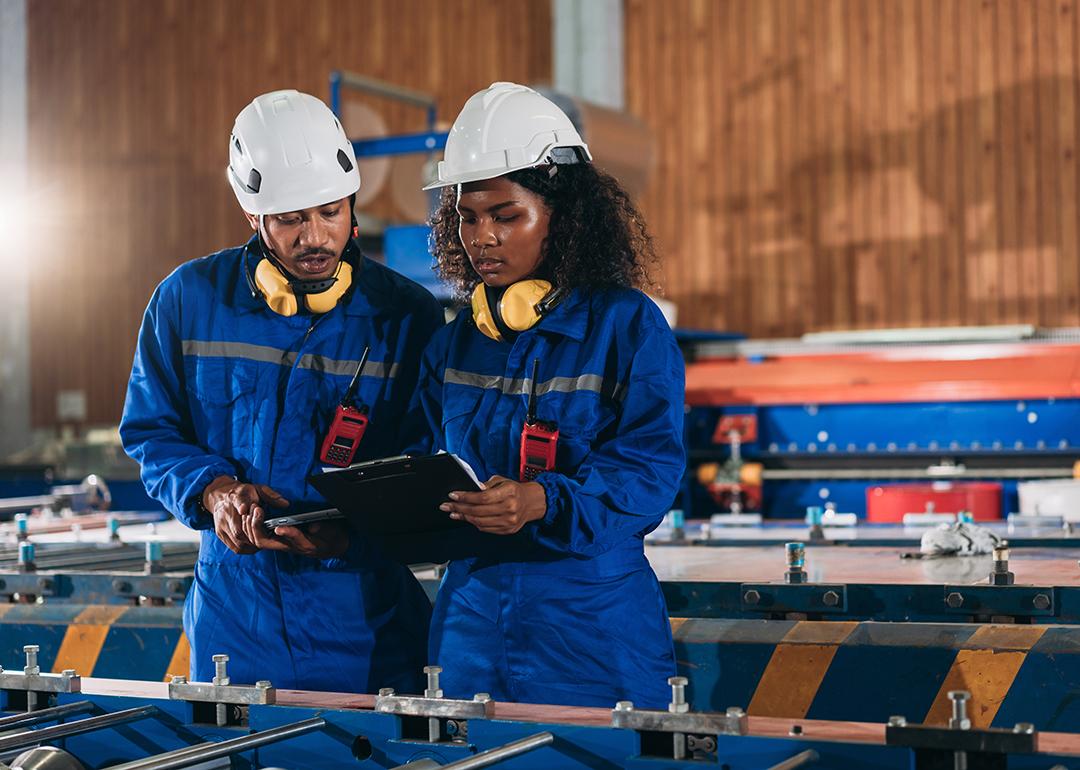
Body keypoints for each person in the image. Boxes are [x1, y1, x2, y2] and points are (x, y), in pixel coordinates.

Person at [120, 90, 442, 693]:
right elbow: (150, 432)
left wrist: (353, 534)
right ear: (253, 216)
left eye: (329, 212)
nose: (315, 237)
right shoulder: (188, 301)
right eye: (292, 219)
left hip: (366, 613)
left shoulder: (406, 316)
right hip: (236, 618)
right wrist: (215, 492)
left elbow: (425, 455)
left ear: (353, 202)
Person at [407, 82, 685, 708]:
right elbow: (421, 466)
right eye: (468, 217)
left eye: (507, 216)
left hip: (592, 624)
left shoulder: (627, 327)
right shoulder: (455, 344)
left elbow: (648, 474)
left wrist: (542, 501)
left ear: (563, 217)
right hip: (469, 622)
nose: (483, 237)